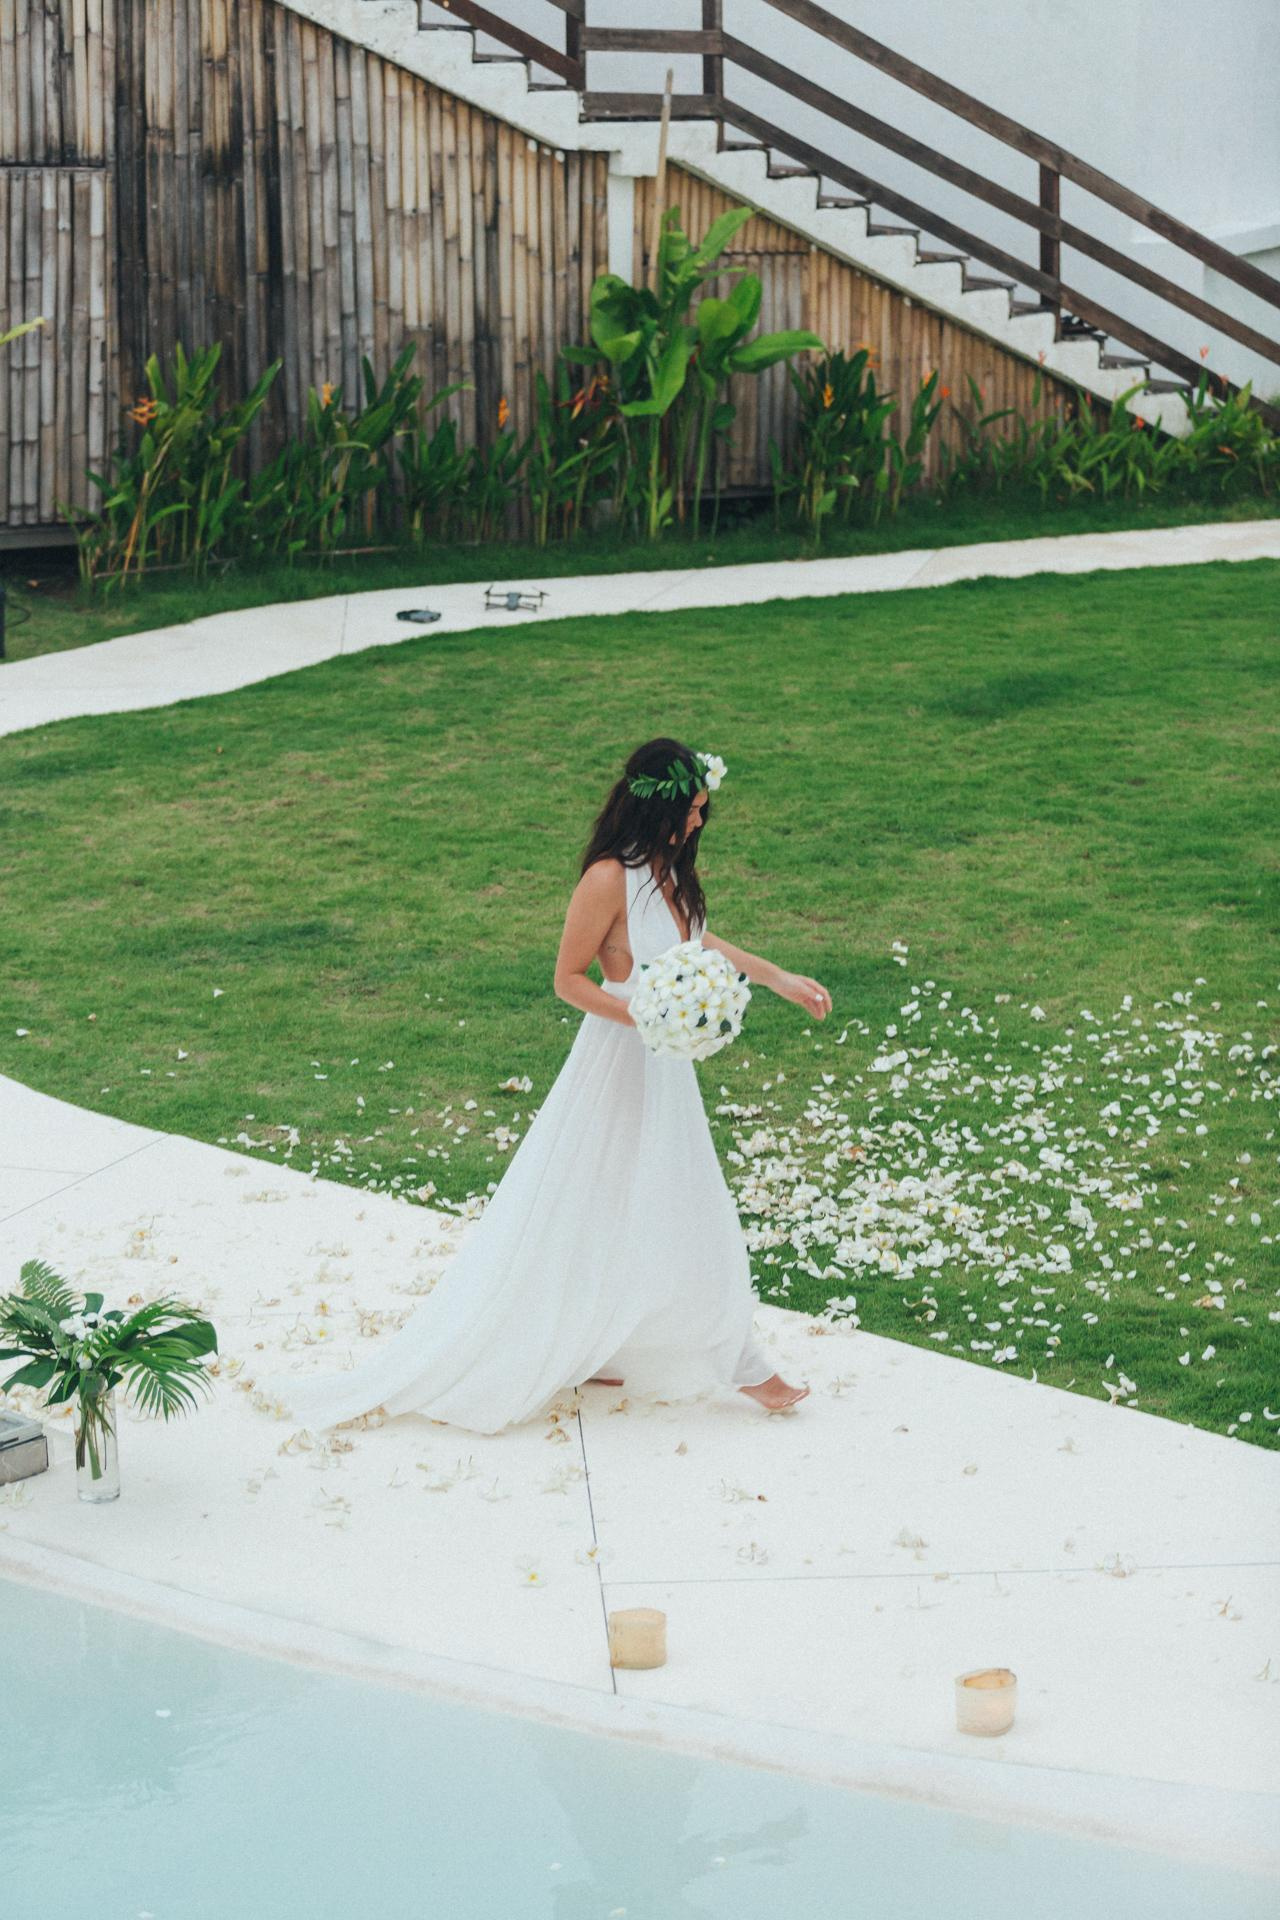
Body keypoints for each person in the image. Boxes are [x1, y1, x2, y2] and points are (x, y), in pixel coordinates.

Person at [255, 737, 831, 1436]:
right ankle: (748, 1368)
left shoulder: (669, 872)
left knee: (637, 1196)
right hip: (620, 1061)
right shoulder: (606, 880)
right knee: (653, 1196)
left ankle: (603, 1344)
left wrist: (775, 977)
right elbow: (568, 980)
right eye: (694, 810)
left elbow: (698, 945)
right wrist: (647, 1014)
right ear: (661, 808)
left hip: (664, 1070)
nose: (700, 823)